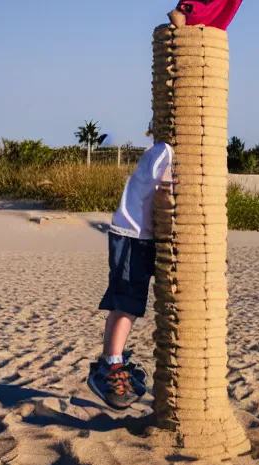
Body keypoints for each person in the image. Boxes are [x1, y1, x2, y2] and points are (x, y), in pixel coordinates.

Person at [87, 142, 173, 409]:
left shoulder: (160, 152)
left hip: (139, 236)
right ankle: (111, 367)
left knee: (128, 304)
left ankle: (111, 361)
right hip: (132, 236)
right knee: (127, 303)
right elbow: (168, 191)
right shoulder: (165, 152)